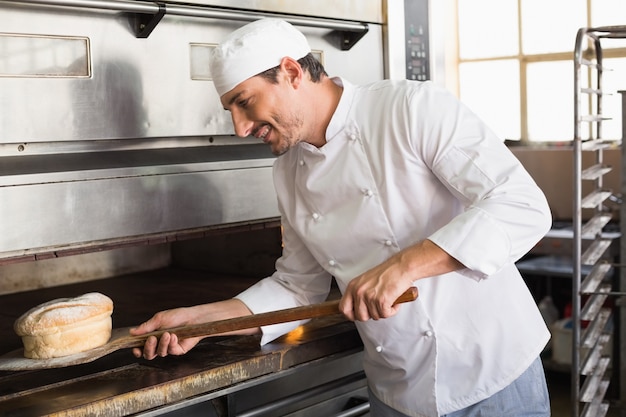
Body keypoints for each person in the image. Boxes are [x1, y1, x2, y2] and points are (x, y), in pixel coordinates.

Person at [130, 18, 553, 417]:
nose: (240, 127)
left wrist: (403, 266)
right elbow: (298, 287)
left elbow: (520, 204)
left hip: (493, 378)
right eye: (230, 111)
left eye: (244, 102)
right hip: (398, 391)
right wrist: (203, 322)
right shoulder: (288, 170)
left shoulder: (410, 108)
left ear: (292, 72)